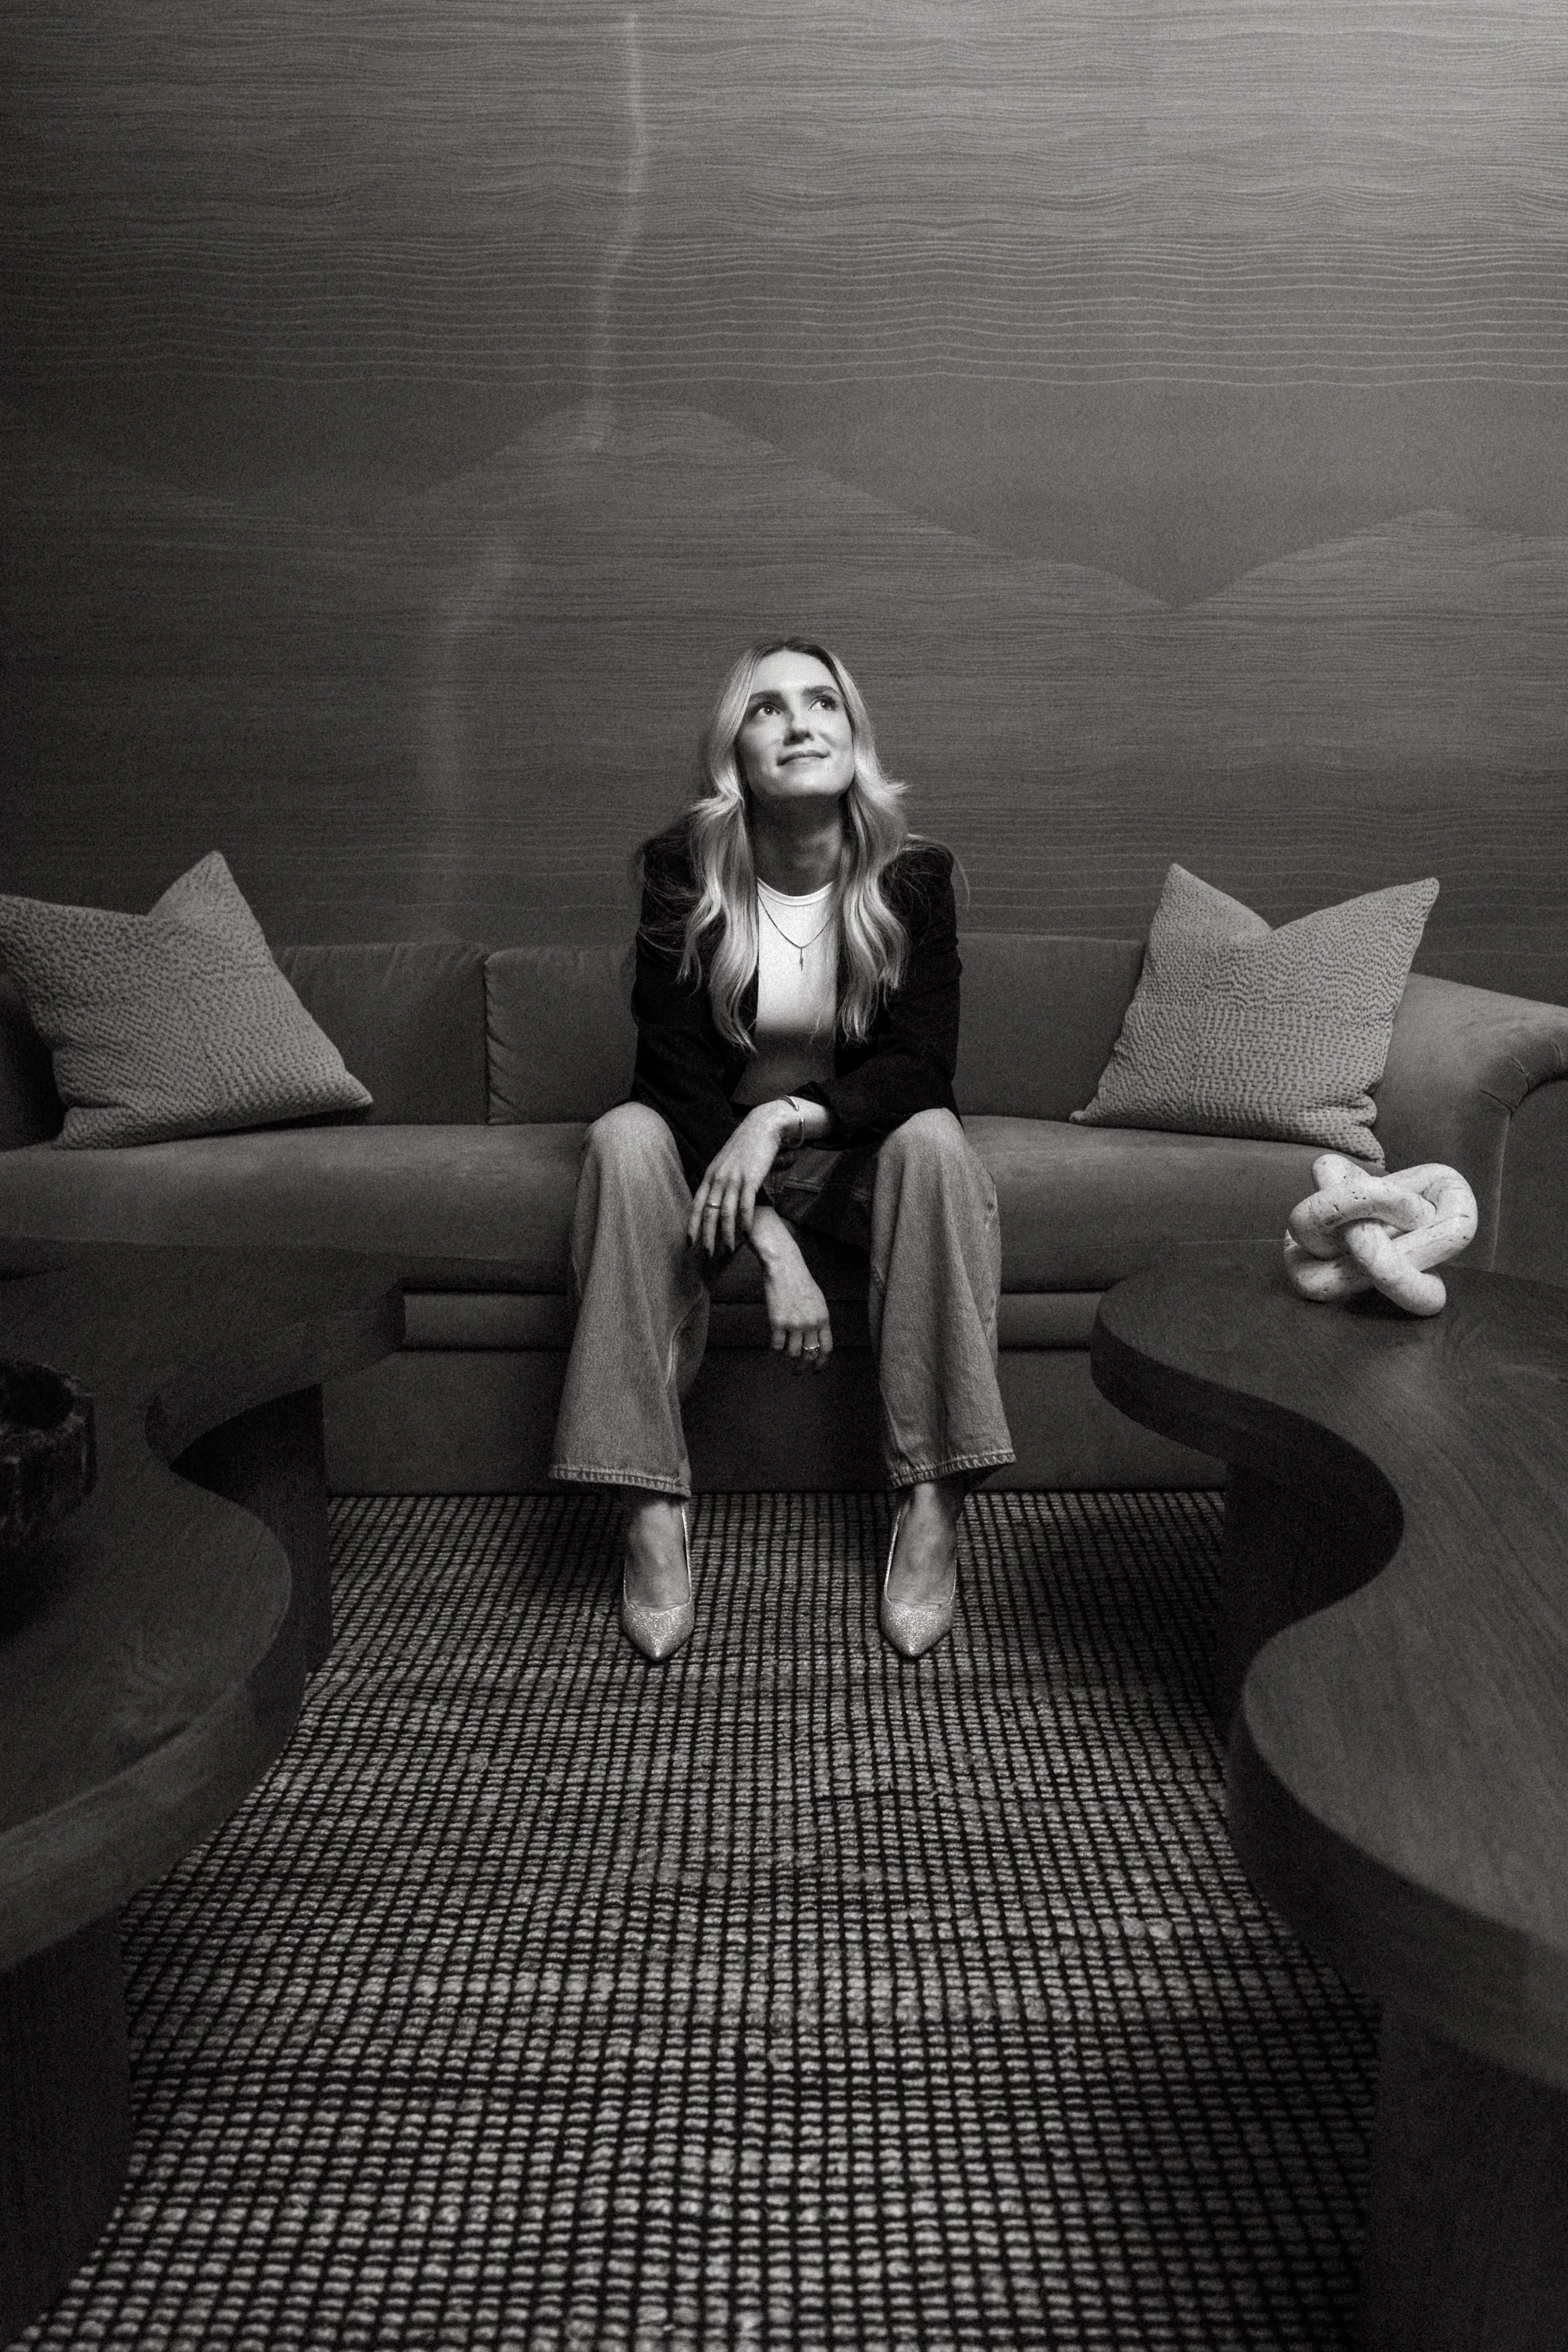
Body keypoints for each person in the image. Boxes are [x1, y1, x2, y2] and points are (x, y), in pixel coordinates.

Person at [548, 637, 1014, 1660]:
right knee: (621, 1137)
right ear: (735, 751)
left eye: (823, 703)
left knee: (937, 1143)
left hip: (850, 1158)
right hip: (706, 1162)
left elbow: (919, 1069)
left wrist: (781, 1117)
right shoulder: (682, 872)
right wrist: (770, 1242)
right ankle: (649, 1508)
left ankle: (933, 1506)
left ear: (854, 736)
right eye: (768, 708)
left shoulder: (915, 879)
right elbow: (670, 1078)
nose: (801, 723)